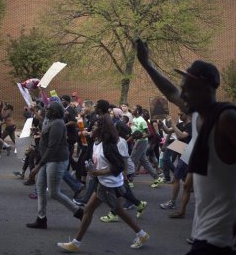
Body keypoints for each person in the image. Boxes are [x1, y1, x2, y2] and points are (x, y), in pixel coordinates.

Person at [136, 38, 236, 255]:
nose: (183, 94)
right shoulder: (199, 115)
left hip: (223, 238)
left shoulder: (227, 119)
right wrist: (146, 64)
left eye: (188, 89)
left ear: (206, 89)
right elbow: (170, 92)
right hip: (206, 232)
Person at [57, 115, 150, 252]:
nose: (91, 128)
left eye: (94, 126)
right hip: (105, 184)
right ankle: (141, 234)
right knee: (98, 210)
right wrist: (92, 168)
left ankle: (76, 243)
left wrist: (98, 173)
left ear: (101, 129)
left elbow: (118, 166)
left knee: (103, 211)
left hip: (109, 185)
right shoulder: (97, 142)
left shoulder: (108, 145)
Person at [26, 101, 83, 229]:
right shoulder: (50, 121)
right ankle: (41, 219)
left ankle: (79, 212)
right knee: (40, 187)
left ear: (55, 112)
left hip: (56, 160)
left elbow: (53, 147)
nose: (46, 109)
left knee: (53, 192)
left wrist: (38, 166)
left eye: (49, 108)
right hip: (48, 159)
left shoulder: (58, 123)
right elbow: (46, 134)